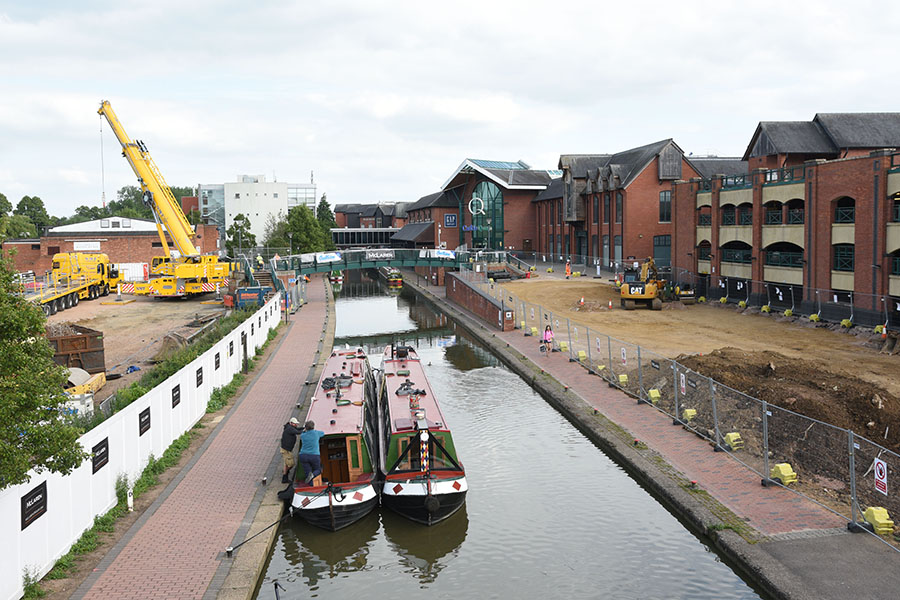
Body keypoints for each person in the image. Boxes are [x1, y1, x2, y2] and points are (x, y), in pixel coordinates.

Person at [299, 420, 326, 485]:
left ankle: (311, 486)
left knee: (308, 473)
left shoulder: (302, 435)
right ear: (313, 427)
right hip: (314, 456)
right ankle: (313, 475)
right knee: (318, 470)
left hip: (303, 455)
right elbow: (323, 433)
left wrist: (304, 431)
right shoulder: (316, 433)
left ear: (306, 427)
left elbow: (302, 433)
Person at [280, 417, 303, 483]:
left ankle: (285, 475)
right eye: (295, 424)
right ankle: (285, 476)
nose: (296, 425)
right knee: (291, 464)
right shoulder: (290, 429)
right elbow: (298, 432)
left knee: (287, 464)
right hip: (286, 450)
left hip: (287, 449)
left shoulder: (289, 427)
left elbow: (298, 429)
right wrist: (304, 430)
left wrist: (304, 428)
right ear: (291, 423)